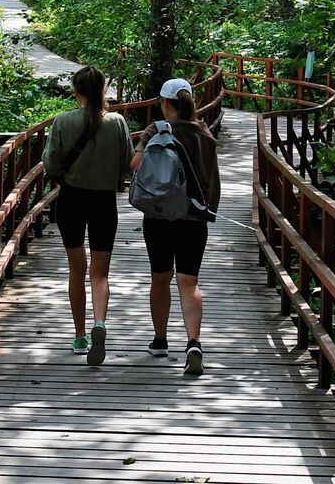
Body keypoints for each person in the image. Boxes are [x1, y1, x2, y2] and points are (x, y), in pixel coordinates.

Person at [130, 76, 220, 377]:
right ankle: (193, 342)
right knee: (188, 282)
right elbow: (213, 180)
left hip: (159, 216)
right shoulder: (205, 133)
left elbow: (135, 166)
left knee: (160, 277)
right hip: (194, 219)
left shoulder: (156, 130)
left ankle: (160, 340)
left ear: (166, 103)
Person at [42, 64, 132, 365]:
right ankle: (100, 323)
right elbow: (125, 164)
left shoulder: (63, 121)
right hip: (104, 201)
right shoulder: (117, 122)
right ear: (103, 89)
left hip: (71, 200)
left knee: (76, 270)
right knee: (100, 273)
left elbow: (51, 164)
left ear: (76, 90)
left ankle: (80, 335)